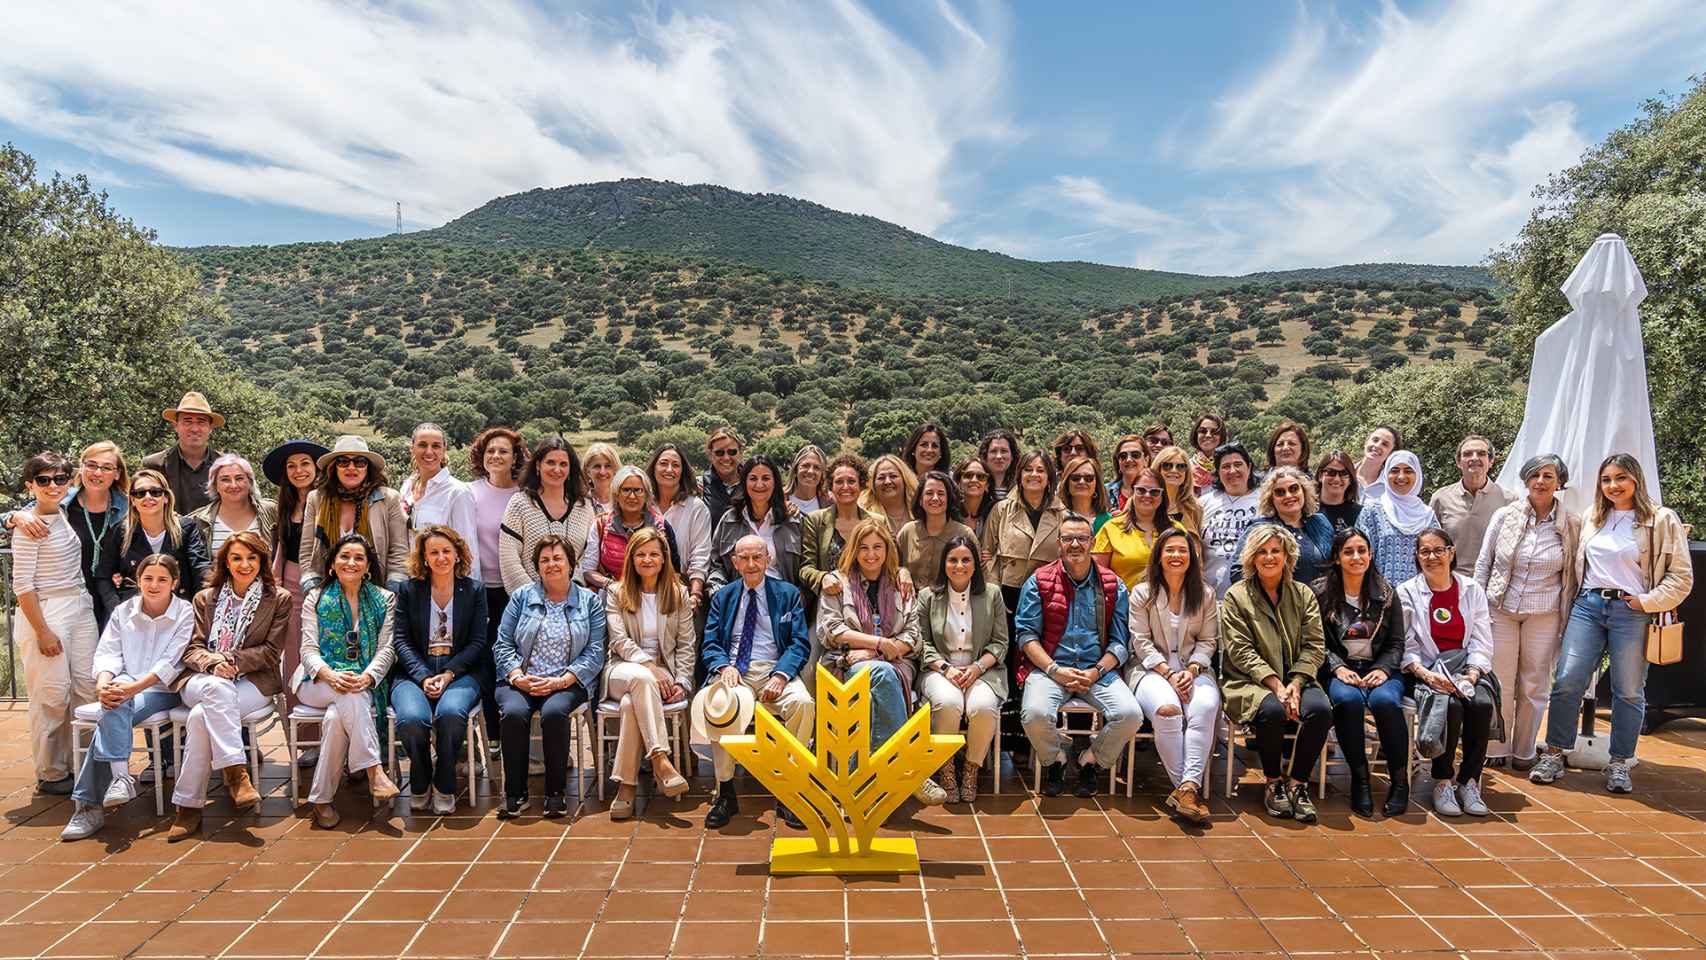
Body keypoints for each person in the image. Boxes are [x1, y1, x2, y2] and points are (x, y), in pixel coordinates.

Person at [1531, 454, 1693, 794]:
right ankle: (1555, 752)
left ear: (1636, 479)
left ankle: (1620, 762)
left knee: (1628, 690)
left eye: (1620, 478)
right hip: (1588, 605)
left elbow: (1681, 577)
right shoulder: (1593, 516)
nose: (1613, 485)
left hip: (1631, 611)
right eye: (1606, 479)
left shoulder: (1661, 519)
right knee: (1567, 679)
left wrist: (1645, 601)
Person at [61, 555, 193, 841]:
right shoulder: (123, 611)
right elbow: (108, 653)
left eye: (162, 579)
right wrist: (104, 685)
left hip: (162, 691)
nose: (154, 585)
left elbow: (172, 663)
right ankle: (120, 780)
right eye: (147, 578)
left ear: (175, 582)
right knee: (114, 703)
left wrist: (129, 690)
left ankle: (89, 807)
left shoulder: (185, 612)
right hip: (125, 686)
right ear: (138, 580)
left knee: (114, 707)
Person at [169, 530, 288, 839]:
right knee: (217, 689)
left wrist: (232, 661)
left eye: (252, 558)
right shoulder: (204, 599)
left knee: (199, 718)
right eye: (236, 558)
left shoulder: (278, 599)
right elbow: (191, 650)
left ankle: (189, 806)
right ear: (225, 562)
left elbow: (271, 652)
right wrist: (213, 664)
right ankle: (236, 773)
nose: (244, 564)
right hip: (202, 679)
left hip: (253, 681)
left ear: (262, 561)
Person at [817, 518, 944, 805]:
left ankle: (851, 791)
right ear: (853, 550)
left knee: (876, 688)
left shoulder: (901, 584)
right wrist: (879, 643)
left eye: (877, 547)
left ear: (887, 549)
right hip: (845, 663)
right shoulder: (838, 584)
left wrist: (876, 652)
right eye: (863, 548)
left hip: (891, 663)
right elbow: (831, 630)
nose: (871, 554)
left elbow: (913, 634)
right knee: (880, 677)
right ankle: (906, 768)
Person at [695, 535, 816, 830]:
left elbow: (799, 643)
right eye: (744, 558)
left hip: (775, 669)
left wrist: (781, 674)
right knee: (719, 707)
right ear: (734, 563)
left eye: (757, 557)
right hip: (735, 671)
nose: (751, 564)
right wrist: (723, 666)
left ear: (768, 559)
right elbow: (710, 643)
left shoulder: (787, 594)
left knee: (803, 703)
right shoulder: (723, 597)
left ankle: (791, 789)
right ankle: (725, 792)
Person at [1015, 514, 1138, 798]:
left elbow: (1120, 642)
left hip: (1097, 670)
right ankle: (1056, 758)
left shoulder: (1112, 584)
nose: (1075, 544)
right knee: (1034, 714)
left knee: (1130, 714)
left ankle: (1090, 761)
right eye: (1068, 538)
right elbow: (1026, 636)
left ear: (1092, 543)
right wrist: (1054, 670)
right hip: (1051, 667)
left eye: (1082, 538)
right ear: (1058, 544)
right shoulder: (1039, 581)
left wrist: (1096, 671)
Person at [1474, 454, 1582, 770]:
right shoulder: (1504, 515)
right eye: (1534, 475)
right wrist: (1478, 608)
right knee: (1500, 681)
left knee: (1534, 684)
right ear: (1525, 480)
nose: (1540, 482)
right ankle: (1496, 747)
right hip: (1501, 609)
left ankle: (1524, 751)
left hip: (1544, 612)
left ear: (1559, 482)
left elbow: (1575, 570)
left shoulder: (1571, 523)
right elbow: (1484, 563)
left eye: (1548, 476)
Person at [1220, 525, 1330, 823]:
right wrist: (1276, 685)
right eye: (1262, 552)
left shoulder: (1303, 594)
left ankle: (1297, 783)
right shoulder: (1236, 596)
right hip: (1249, 681)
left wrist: (1294, 683)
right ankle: (1273, 782)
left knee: (1320, 710)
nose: (1269, 558)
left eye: (1275, 552)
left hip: (1298, 678)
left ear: (1287, 556)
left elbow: (1314, 645)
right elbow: (1240, 650)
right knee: (1271, 709)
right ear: (1252, 558)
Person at [295, 532, 402, 829]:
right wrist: (329, 674)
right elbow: (307, 649)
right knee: (347, 696)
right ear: (332, 564)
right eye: (344, 556)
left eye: (358, 558)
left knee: (335, 716)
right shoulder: (315, 598)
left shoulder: (385, 599)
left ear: (368, 566)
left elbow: (387, 648)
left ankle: (321, 799)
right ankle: (374, 771)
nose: (351, 563)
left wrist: (367, 676)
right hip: (315, 681)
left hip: (361, 682)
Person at [493, 535, 605, 818]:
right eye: (544, 560)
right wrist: (517, 676)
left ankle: (555, 793)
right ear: (537, 566)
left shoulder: (590, 602)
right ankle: (515, 794)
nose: (551, 564)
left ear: (571, 564)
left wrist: (563, 680)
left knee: (555, 714)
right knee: (514, 713)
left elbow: (595, 651)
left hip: (567, 682)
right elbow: (502, 643)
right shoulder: (521, 597)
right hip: (521, 679)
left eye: (558, 558)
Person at [12, 452, 101, 795]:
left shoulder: (61, 512)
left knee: (85, 687)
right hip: (47, 611)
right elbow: (23, 586)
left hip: (78, 606)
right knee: (50, 694)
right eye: (44, 480)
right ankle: (52, 771)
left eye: (60, 479)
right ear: (30, 485)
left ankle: (87, 762)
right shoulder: (29, 526)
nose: (53, 486)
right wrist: (43, 631)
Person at [1397, 529, 1496, 817]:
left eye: (1439, 550)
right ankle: (1442, 781)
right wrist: (1427, 676)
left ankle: (1468, 781)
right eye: (1424, 552)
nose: (1432, 557)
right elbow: (1407, 643)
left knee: (1480, 703)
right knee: (1449, 705)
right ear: (1416, 556)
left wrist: (1472, 674)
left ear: (1451, 552)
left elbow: (1481, 638)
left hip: (1466, 667)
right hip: (1426, 670)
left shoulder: (1471, 589)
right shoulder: (1407, 592)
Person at [390, 526, 488, 815]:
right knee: (411, 719)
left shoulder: (474, 590)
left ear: (458, 554)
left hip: (460, 670)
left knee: (450, 714)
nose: (441, 557)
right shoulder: (409, 590)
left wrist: (448, 674)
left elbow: (478, 641)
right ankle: (419, 779)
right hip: (413, 671)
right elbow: (401, 640)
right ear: (424, 557)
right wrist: (422, 676)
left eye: (447, 551)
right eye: (434, 552)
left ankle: (445, 781)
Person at [1125, 528, 1220, 824]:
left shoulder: (1205, 594)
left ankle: (1186, 787)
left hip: (1194, 669)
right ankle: (1187, 788)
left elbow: (1208, 641)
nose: (1176, 555)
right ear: (1159, 556)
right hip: (1150, 669)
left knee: (1204, 708)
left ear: (1192, 556)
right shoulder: (1142, 593)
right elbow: (1140, 641)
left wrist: (1191, 671)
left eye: (1183, 550)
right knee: (1168, 711)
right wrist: (1167, 672)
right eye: (1170, 550)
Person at [1313, 528, 1409, 818]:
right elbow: (1316, 641)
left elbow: (1396, 643)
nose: (1356, 557)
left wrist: (1382, 669)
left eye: (1362, 551)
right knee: (1348, 701)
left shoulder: (1387, 592)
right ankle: (1361, 780)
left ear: (1370, 554)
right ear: (1337, 558)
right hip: (1339, 669)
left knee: (1386, 703)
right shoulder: (1320, 592)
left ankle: (1400, 782)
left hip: (1379, 669)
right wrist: (1337, 666)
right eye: (1348, 552)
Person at [602, 528, 693, 819]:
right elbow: (618, 640)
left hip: (661, 674)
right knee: (641, 679)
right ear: (631, 558)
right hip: (621, 669)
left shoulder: (678, 594)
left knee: (632, 704)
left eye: (654, 553)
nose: (647, 559)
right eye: (640, 554)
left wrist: (681, 681)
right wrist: (649, 667)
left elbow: (686, 644)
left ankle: (626, 788)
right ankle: (660, 758)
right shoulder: (616, 592)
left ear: (664, 558)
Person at [913, 535, 1008, 803]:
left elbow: (1001, 642)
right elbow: (922, 643)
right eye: (953, 560)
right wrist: (946, 669)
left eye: (966, 559)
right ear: (944, 564)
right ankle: (946, 769)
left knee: (984, 706)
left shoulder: (992, 594)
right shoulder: (928, 597)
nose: (959, 565)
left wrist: (977, 668)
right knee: (948, 702)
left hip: (983, 668)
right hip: (939, 667)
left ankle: (971, 768)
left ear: (975, 564)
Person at [4, 441, 131, 628]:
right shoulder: (61, 498)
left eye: (106, 467)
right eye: (92, 465)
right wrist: (15, 516)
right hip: (71, 602)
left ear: (117, 473)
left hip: (114, 597)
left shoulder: (130, 507)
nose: (97, 473)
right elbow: (10, 519)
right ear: (82, 468)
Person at [468, 427, 526, 752]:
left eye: (503, 451)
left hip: (514, 589)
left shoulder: (524, 494)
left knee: (516, 660)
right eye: (490, 451)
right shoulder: (469, 492)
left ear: (515, 457)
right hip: (480, 590)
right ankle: (492, 733)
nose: (496, 457)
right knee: (486, 660)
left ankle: (521, 734)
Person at [262, 439, 327, 713]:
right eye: (291, 466)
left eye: (304, 464)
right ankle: (303, 736)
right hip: (290, 583)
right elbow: (282, 547)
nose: (298, 471)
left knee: (322, 651)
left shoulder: (327, 500)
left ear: (316, 468)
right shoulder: (285, 505)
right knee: (294, 654)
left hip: (323, 581)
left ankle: (333, 733)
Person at [299, 436, 409, 593]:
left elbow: (399, 551)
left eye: (359, 462)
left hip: (376, 590)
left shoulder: (388, 499)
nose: (351, 467)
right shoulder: (316, 498)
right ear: (334, 467)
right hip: (327, 590)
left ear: (368, 467)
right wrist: (313, 589)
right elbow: (307, 550)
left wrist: (391, 591)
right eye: (343, 461)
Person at [498, 436, 596, 593]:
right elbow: (509, 560)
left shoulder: (584, 507)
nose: (557, 470)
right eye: (550, 462)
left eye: (563, 464)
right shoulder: (520, 504)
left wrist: (571, 594)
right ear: (538, 465)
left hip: (575, 604)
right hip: (529, 606)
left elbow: (587, 557)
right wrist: (535, 599)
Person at [984, 451, 1066, 624]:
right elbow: (987, 555)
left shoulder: (1062, 514)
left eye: (1040, 470)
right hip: (1007, 593)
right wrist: (994, 593)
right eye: (1028, 469)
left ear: (1049, 477)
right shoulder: (1001, 509)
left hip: (1046, 593)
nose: (1034, 475)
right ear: (1019, 475)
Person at [114, 468, 211, 606]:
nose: (148, 497)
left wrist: (204, 603)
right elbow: (104, 575)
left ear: (165, 497)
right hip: (134, 611)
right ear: (132, 500)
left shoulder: (186, 528)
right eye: (140, 493)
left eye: (155, 492)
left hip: (180, 611)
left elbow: (200, 566)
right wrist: (116, 608)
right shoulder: (121, 532)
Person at [708, 455, 803, 590]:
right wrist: (721, 593)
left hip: (783, 601)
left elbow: (806, 566)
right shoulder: (729, 520)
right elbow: (715, 564)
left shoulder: (793, 521)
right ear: (744, 482)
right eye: (753, 478)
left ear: (775, 482)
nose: (759, 484)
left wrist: (800, 597)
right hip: (738, 600)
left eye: (766, 478)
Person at [579, 466, 681, 591]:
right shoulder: (601, 524)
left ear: (646, 494)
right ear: (616, 494)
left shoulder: (661, 526)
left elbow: (674, 570)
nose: (632, 496)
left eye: (638, 490)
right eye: (626, 490)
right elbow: (588, 570)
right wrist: (612, 586)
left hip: (653, 597)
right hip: (611, 597)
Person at [400, 423, 481, 575]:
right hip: (410, 580)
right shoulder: (406, 486)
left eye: (436, 446)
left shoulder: (457, 492)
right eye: (422, 445)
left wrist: (469, 593)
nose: (429, 452)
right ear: (412, 448)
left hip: (444, 583)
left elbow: (468, 548)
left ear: (444, 449)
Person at [1232, 466, 1335, 586]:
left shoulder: (1320, 523)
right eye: (1280, 492)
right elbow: (1238, 572)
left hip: (1322, 601)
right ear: (1271, 499)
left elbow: (1336, 563)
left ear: (1304, 491)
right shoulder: (1259, 528)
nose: (1288, 495)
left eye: (1294, 488)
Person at [798, 454, 876, 607]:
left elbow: (891, 564)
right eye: (839, 482)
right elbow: (805, 568)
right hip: (829, 603)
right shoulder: (815, 520)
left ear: (861, 485)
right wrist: (823, 578)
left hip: (871, 602)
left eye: (851, 481)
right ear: (831, 486)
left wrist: (903, 572)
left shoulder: (877, 522)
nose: (845, 487)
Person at [1429, 435, 1512, 577]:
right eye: (1467, 454)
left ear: (1491, 461)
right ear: (1458, 462)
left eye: (1481, 453)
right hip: (1451, 583)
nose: (1474, 458)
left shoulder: (1509, 500)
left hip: (1492, 584)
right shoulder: (1441, 498)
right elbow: (1430, 544)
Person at [1355, 451, 1440, 586]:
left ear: (1417, 475)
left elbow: (1438, 561)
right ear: (1386, 475)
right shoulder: (1373, 511)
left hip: (1420, 598)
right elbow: (1359, 556)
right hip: (1379, 597)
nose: (1401, 476)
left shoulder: (1427, 516)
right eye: (1394, 470)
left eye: (1408, 471)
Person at [1093, 466, 1178, 589]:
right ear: (1132, 493)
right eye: (1141, 490)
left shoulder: (1176, 529)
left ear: (1162, 496)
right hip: (1124, 605)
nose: (1147, 495)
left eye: (1154, 492)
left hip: (1168, 604)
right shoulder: (1111, 528)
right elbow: (1097, 577)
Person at [649, 443, 711, 612]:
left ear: (683, 471)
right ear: (653, 467)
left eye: (675, 465)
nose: (669, 469)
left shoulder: (696, 508)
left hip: (683, 590)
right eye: (663, 463)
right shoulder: (642, 504)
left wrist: (695, 594)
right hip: (643, 591)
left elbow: (701, 554)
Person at [141, 391, 226, 513]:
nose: (195, 428)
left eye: (201, 422)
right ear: (176, 425)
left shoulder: (225, 466)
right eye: (187, 421)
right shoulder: (154, 465)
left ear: (210, 427)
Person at [193, 453, 277, 566]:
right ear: (215, 485)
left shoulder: (271, 510)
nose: (233, 485)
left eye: (239, 478)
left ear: (250, 482)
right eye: (225, 480)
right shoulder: (199, 520)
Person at [896, 471, 975, 591]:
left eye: (941, 493)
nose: (935, 498)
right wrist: (902, 571)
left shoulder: (964, 533)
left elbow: (977, 574)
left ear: (949, 500)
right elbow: (891, 567)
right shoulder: (908, 531)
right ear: (921, 500)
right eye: (929, 493)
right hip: (910, 604)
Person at [1200, 444, 1261, 596]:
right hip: (1208, 597)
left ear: (1249, 467)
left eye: (1238, 464)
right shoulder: (1203, 503)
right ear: (1218, 472)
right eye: (1226, 466)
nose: (1232, 471)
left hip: (1252, 596)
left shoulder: (1264, 501)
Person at [1151, 446, 1204, 535]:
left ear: (1186, 473)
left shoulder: (1194, 508)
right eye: (1167, 465)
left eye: (1181, 466)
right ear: (1157, 469)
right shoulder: (1142, 501)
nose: (1174, 470)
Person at [859, 454, 917, 535]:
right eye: (881, 478)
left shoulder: (919, 508)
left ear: (904, 479)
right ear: (872, 484)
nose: (887, 482)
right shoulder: (864, 514)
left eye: (893, 476)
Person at [700, 428, 744, 525]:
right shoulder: (699, 487)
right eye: (719, 453)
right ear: (711, 455)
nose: (726, 458)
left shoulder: (754, 484)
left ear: (740, 453)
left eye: (732, 452)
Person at [1058, 456, 1112, 534]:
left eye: (1089, 478)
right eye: (1076, 478)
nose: (1082, 482)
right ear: (1067, 483)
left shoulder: (1109, 520)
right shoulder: (1057, 518)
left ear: (1096, 484)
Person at [1315, 450, 1363, 533]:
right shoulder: (1307, 510)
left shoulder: (1360, 514)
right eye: (1331, 472)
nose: (1337, 479)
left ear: (1350, 479)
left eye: (1344, 473)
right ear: (1320, 475)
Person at [954, 456, 997, 542]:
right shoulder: (950, 513)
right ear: (959, 482)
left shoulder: (996, 514)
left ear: (987, 485)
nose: (974, 480)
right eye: (968, 475)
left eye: (981, 477)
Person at [1353, 425, 1402, 500]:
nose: (1377, 445)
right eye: (1375, 440)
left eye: (1385, 444)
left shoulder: (1391, 487)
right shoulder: (1343, 475)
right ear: (1366, 442)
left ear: (1391, 453)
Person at [1107, 435, 1149, 510]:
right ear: (1118, 462)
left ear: (1146, 460)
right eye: (1123, 456)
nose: (1128, 459)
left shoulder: (1156, 492)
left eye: (1135, 455)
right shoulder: (1104, 492)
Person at [978, 429, 1021, 502]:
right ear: (985, 455)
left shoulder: (1021, 488)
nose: (998, 456)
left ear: (1012, 456)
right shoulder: (976, 484)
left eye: (1004, 451)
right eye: (993, 451)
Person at [1189, 414, 1226, 495]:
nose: (1208, 435)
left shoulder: (1227, 468)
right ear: (1196, 435)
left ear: (1221, 437)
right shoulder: (1185, 468)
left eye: (1214, 432)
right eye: (1203, 431)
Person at [784, 444, 827, 516]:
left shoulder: (829, 502)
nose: (810, 471)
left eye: (817, 467)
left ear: (822, 474)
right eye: (805, 466)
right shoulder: (778, 498)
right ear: (795, 470)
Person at [583, 442, 623, 516]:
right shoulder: (581, 504)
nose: (602, 472)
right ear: (588, 471)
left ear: (615, 469)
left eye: (608, 466)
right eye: (597, 466)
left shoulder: (625, 501)